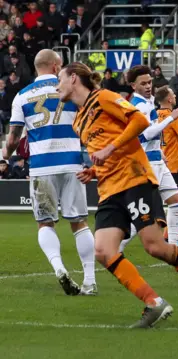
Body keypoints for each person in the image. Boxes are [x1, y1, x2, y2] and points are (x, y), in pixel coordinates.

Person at [56, 62, 178, 328]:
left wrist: (109, 150)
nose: (56, 87)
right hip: (108, 188)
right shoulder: (78, 120)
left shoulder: (103, 97)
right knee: (103, 251)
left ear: (72, 79)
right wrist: (95, 168)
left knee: (155, 248)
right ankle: (153, 302)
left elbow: (138, 121)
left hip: (135, 179)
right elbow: (105, 147)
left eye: (59, 80)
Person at [1, 49, 96, 296]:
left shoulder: (22, 96)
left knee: (45, 223)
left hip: (42, 166)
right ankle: (90, 280)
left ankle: (59, 267)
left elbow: (13, 139)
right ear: (56, 67)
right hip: (72, 163)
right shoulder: (71, 89)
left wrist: (5, 156)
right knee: (79, 223)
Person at [118, 66, 178, 252]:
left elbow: (149, 137)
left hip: (156, 160)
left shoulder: (147, 102)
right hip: (146, 164)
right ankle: (116, 247)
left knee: (177, 203)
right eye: (143, 83)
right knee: (142, 213)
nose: (148, 86)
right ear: (133, 85)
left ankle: (175, 247)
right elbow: (145, 135)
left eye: (149, 82)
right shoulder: (138, 106)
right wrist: (170, 118)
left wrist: (158, 150)